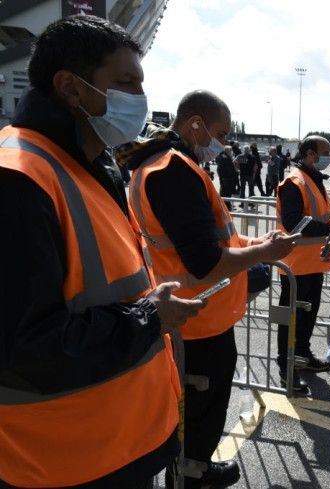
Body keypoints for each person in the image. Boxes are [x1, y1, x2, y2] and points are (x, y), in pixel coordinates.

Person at [0, 15, 207, 489]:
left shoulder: (92, 163)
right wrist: (151, 318)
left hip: (119, 444)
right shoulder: (17, 178)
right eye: (125, 83)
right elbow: (23, 349)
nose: (139, 98)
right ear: (70, 87)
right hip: (63, 463)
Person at [123, 90, 296, 488]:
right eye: (220, 133)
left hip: (196, 318)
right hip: (197, 324)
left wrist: (256, 247)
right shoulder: (172, 170)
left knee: (198, 413)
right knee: (200, 413)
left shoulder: (164, 165)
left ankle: (194, 466)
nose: (224, 143)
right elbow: (205, 264)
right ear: (194, 124)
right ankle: (193, 474)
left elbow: (209, 244)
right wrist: (264, 253)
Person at [276, 135, 330, 391]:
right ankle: (285, 366)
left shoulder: (313, 179)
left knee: (308, 315)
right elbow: (293, 223)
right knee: (290, 317)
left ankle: (302, 356)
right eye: (325, 153)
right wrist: (328, 229)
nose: (328, 157)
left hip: (314, 262)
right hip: (295, 266)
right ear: (311, 154)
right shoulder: (294, 182)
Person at [216, 145, 237, 210]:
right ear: (227, 151)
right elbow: (228, 169)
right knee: (227, 193)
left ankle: (225, 205)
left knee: (225, 193)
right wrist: (234, 173)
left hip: (225, 178)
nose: (231, 152)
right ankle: (227, 206)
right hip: (227, 178)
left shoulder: (225, 157)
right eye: (230, 150)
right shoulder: (225, 158)